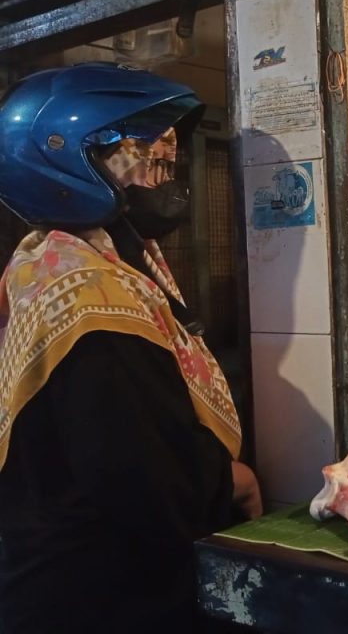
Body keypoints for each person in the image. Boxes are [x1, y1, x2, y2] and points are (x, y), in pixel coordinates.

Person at [0, 64, 261, 633]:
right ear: (68, 159)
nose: (165, 163)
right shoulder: (89, 297)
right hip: (95, 597)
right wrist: (230, 480)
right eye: (143, 146)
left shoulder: (49, 265)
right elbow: (139, 470)